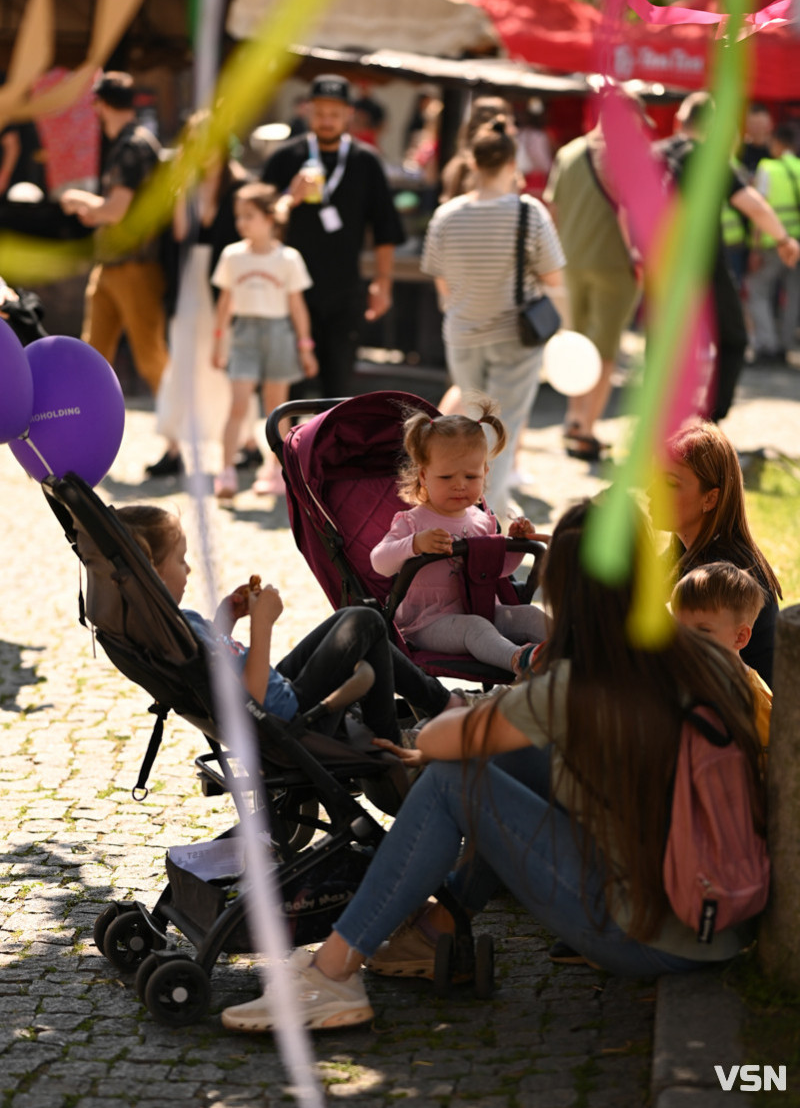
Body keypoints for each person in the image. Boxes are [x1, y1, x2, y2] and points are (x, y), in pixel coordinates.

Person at [220, 497, 766, 1033]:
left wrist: (471, 718)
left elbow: (438, 738)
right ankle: (435, 928)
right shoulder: (701, 657)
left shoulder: (583, 685)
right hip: (718, 917)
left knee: (454, 780)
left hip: (651, 935)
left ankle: (332, 973)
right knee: (506, 756)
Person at [115, 505, 401, 744]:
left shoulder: (172, 626)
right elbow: (252, 696)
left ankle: (421, 710)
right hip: (286, 717)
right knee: (365, 621)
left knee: (349, 619)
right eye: (180, 561)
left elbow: (210, 666)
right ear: (153, 573)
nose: (188, 568)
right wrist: (262, 623)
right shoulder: (176, 629)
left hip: (277, 696)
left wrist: (226, 618)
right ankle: (396, 738)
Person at [421, 115, 566, 519]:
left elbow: (442, 283)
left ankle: (457, 508)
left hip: (463, 333)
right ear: (511, 162)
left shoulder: (446, 215)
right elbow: (554, 276)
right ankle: (492, 517)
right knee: (502, 431)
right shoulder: (528, 212)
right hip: (513, 336)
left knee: (470, 426)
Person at [371, 401, 548, 675]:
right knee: (476, 628)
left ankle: (576, 652)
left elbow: (499, 571)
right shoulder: (413, 521)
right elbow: (379, 562)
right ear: (423, 475)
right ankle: (519, 660)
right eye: (446, 476)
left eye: (470, 475)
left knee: (529, 615)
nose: (460, 485)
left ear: (485, 473)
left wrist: (514, 545)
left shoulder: (481, 520)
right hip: (428, 622)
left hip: (481, 607)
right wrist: (414, 544)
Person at [655, 92, 799, 422]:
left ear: (680, 120)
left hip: (660, 264)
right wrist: (784, 239)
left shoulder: (657, 154)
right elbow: (753, 205)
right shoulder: (707, 157)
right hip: (704, 264)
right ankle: (709, 421)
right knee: (733, 338)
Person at [261, 74, 405, 398]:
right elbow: (257, 220)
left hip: (344, 290)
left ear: (349, 115)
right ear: (308, 111)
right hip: (289, 290)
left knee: (338, 385)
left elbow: (384, 228)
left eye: (335, 114)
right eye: (321, 113)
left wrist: (383, 283)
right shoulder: (285, 159)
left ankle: (327, 449)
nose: (327, 121)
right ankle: (285, 450)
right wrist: (288, 197)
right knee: (289, 385)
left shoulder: (365, 161)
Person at [544, 91, 650, 461]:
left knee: (577, 345)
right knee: (604, 353)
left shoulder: (568, 153)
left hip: (570, 265)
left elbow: (552, 212)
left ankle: (573, 419)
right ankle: (587, 429)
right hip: (615, 267)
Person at [146, 111, 250, 480]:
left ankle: (246, 442)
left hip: (226, 286)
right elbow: (178, 235)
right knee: (183, 361)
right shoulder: (184, 185)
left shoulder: (240, 186)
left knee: (228, 363)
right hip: (188, 282)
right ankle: (174, 446)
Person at [60, 71, 169, 403]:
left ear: (100, 105)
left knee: (150, 357)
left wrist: (78, 200)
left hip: (135, 266)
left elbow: (116, 210)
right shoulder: (128, 141)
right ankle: (85, 421)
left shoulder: (133, 144)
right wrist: (97, 211)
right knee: (92, 354)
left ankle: (179, 436)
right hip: (110, 264)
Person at [652, 418, 781, 685]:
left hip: (737, 717)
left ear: (710, 498)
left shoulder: (718, 573)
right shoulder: (688, 544)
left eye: (670, 483)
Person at [211, 182, 318, 500]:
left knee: (277, 409)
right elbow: (225, 303)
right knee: (239, 404)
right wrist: (218, 342)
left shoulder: (288, 258)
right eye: (238, 216)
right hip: (244, 333)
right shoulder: (232, 255)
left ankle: (276, 471)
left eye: (249, 215)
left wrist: (305, 346)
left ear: (270, 218)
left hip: (278, 333)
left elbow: (297, 306)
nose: (241, 222)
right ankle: (226, 471)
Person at [671, 561, 771, 751]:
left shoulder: (754, 701)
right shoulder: (683, 676)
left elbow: (769, 766)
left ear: (740, 637)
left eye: (703, 631)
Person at [747, 121, 800, 366]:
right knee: (794, 294)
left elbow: (759, 209)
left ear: (778, 144)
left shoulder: (767, 168)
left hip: (773, 242)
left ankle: (767, 345)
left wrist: (756, 248)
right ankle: (785, 345)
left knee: (757, 290)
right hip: (797, 244)